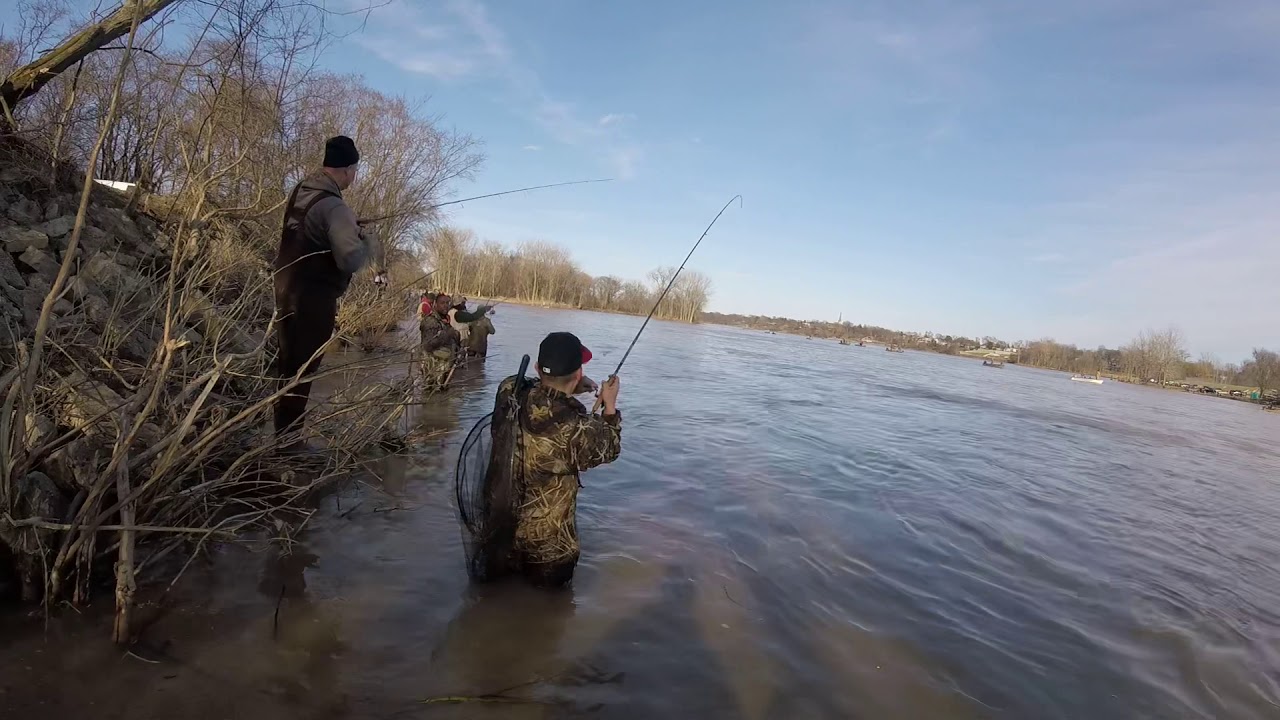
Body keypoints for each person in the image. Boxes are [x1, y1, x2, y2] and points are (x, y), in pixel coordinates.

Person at [272, 135, 384, 443]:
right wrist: (368, 244)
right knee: (303, 371)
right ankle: (289, 444)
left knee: (287, 365)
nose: (354, 176)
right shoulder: (335, 206)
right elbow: (350, 260)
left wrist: (348, 227)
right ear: (348, 169)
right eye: (355, 170)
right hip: (312, 298)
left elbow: (312, 228)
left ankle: (279, 434)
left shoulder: (302, 192)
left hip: (285, 288)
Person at [490, 332, 621, 587]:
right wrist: (610, 407)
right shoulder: (578, 429)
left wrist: (572, 387)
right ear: (579, 373)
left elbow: (538, 389)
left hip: (501, 535)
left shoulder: (509, 390)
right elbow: (610, 447)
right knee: (551, 617)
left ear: (538, 368)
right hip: (550, 552)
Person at [420, 292, 461, 388]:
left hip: (444, 369)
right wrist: (447, 334)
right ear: (435, 304)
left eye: (447, 303)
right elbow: (428, 345)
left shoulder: (444, 320)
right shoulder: (430, 321)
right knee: (432, 396)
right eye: (442, 303)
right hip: (433, 369)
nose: (446, 306)